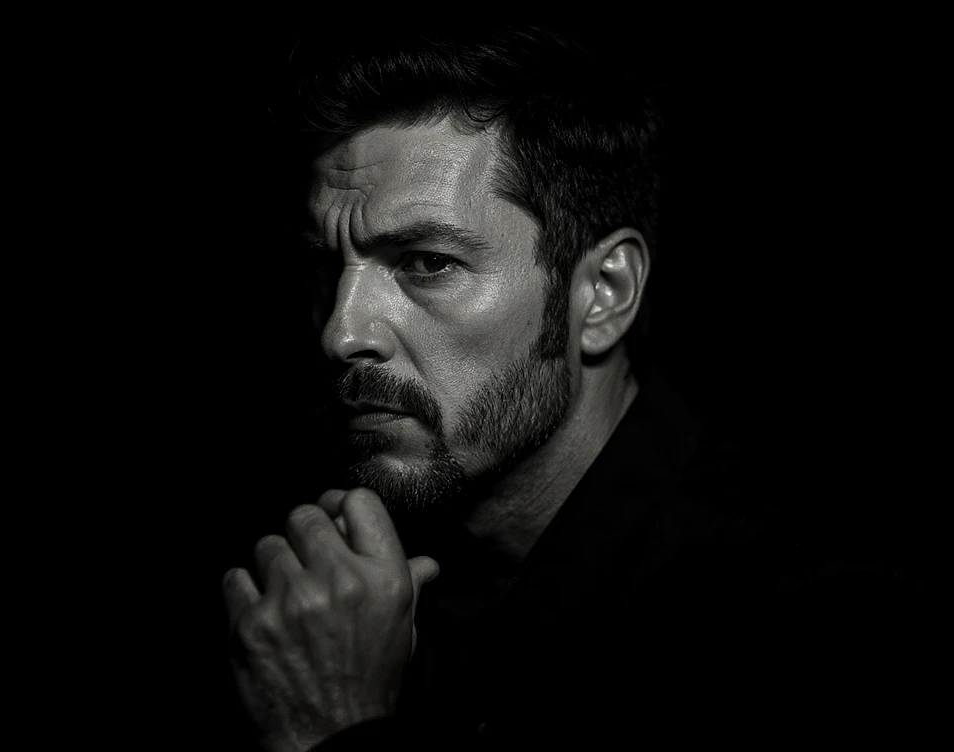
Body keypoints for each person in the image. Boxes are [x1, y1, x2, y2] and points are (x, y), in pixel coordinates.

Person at [219, 21, 917, 751]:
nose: (341, 332)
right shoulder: (325, 594)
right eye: (325, 268)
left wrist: (334, 727)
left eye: (426, 262)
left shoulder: (818, 622)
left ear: (604, 293)